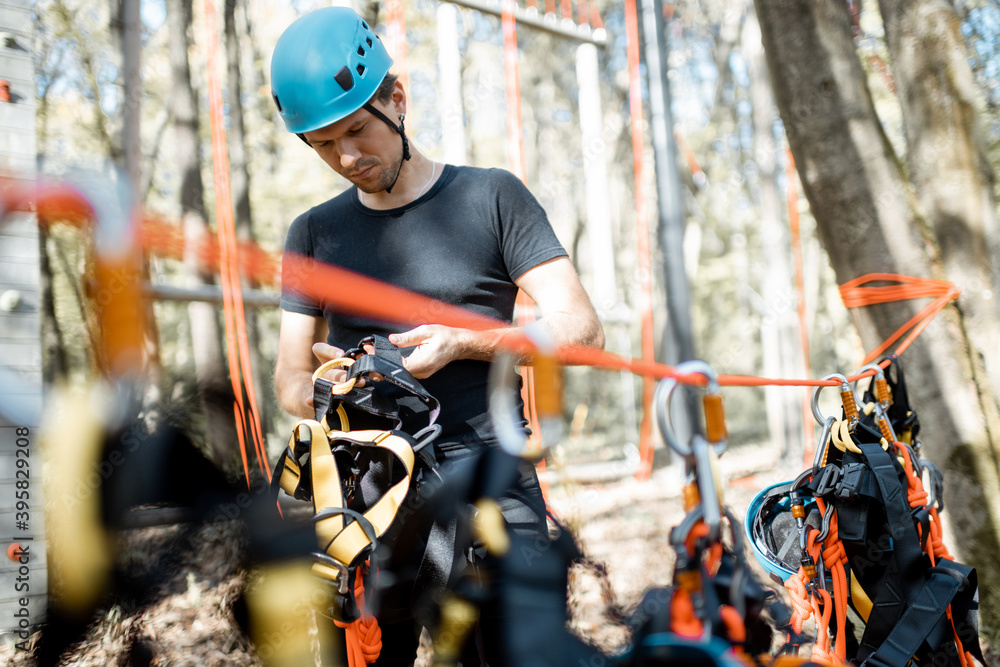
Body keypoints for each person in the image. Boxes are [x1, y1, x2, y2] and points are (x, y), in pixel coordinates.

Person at [270, 6, 604, 665]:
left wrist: (464, 341)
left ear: (398, 99)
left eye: (357, 131)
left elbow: (582, 327)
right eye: (325, 145)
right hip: (367, 484)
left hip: (488, 473)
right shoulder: (312, 234)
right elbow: (287, 385)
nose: (348, 157)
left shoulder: (492, 198)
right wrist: (337, 385)